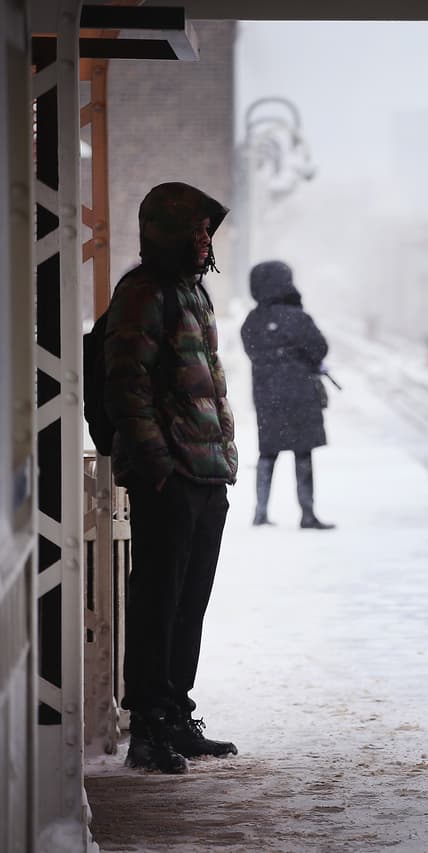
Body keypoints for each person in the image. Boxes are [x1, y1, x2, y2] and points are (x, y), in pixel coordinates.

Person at [104, 182, 239, 774]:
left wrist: (219, 463)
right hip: (171, 475)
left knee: (189, 602)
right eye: (196, 230)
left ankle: (177, 712)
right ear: (170, 232)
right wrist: (158, 465)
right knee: (158, 602)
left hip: (205, 474)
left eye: (208, 230)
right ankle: (149, 726)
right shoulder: (144, 292)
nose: (205, 240)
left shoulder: (192, 292)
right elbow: (126, 386)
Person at [240, 260, 335, 530]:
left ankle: (260, 512)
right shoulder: (298, 318)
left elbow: (252, 350)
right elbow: (320, 348)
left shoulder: (252, 321)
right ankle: (307, 513)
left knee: (267, 452)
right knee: (303, 453)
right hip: (300, 395)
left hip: (267, 397)